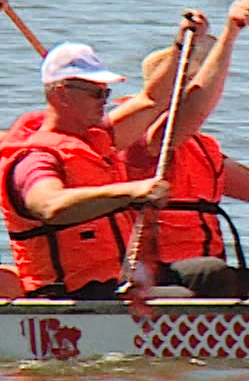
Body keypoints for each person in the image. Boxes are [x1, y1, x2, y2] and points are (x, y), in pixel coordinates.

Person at [0, 22, 200, 299]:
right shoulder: (36, 158)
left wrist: (179, 48)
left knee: (205, 273)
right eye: (96, 93)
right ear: (62, 95)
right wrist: (129, 191)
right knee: (192, 291)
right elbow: (48, 205)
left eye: (106, 93)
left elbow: (153, 99)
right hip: (69, 296)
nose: (104, 101)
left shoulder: (97, 138)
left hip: (113, 283)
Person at [122, 0, 249, 299]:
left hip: (204, 272)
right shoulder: (139, 141)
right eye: (191, 79)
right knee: (215, 272)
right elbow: (195, 108)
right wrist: (231, 32)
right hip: (156, 271)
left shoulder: (203, 147)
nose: (201, 86)